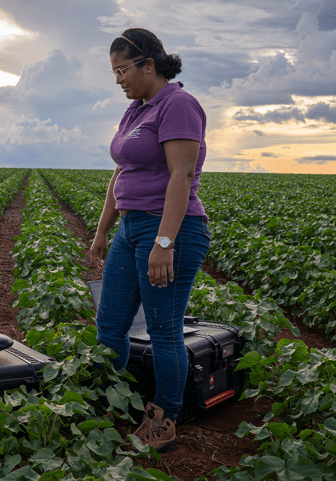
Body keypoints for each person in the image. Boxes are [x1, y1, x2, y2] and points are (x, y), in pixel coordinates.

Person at [88, 28, 211, 453]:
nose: (119, 79)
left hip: (171, 229)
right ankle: (111, 402)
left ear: (149, 65)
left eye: (123, 70)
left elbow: (182, 175)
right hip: (130, 228)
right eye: (114, 72)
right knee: (110, 325)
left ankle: (165, 421)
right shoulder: (136, 110)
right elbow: (121, 173)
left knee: (163, 330)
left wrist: (165, 242)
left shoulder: (178, 105)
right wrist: (104, 229)